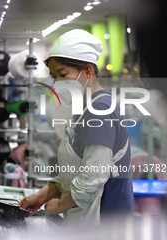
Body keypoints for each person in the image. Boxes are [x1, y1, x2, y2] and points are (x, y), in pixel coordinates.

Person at [20, 29, 133, 224]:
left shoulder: (101, 110)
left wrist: (58, 205)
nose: (56, 83)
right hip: (85, 218)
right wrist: (44, 195)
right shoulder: (84, 108)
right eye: (54, 76)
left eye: (63, 74)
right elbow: (74, 171)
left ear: (88, 70)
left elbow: (93, 177)